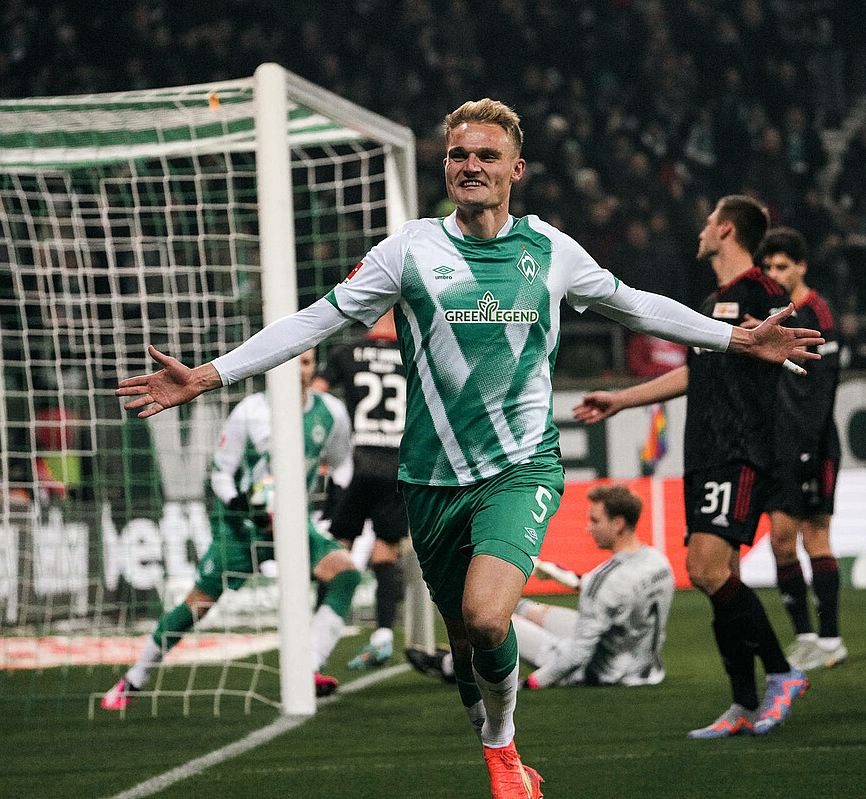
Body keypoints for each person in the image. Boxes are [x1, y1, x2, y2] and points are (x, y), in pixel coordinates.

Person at [117, 102, 821, 797]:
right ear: (445, 166)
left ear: (515, 169)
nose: (470, 165)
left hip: (519, 469)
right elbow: (317, 320)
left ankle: (503, 752)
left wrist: (736, 337)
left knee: (489, 617)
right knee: (465, 643)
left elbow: (636, 304)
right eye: (459, 154)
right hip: (428, 480)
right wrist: (211, 374)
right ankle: (493, 726)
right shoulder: (409, 250)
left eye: (486, 155)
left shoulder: (549, 250)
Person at [574, 195, 812, 739]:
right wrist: (622, 399)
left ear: (726, 230)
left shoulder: (764, 294)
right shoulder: (713, 302)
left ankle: (781, 673)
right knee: (714, 576)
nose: (701, 231)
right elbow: (696, 376)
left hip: (740, 450)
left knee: (705, 570)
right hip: (704, 451)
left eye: (708, 223)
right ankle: (744, 703)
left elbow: (775, 359)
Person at [102, 350, 359, 709]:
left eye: (306, 362)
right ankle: (134, 679)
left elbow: (343, 465)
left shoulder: (331, 413)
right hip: (241, 527)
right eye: (293, 361)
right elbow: (221, 472)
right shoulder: (250, 412)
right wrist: (241, 503)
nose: (299, 369)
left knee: (345, 574)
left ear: (313, 367)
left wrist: (332, 511)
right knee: (198, 606)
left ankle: (309, 665)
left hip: (292, 525)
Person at [410, 484, 675, 689]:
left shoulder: (603, 580)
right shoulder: (658, 562)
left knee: (490, 621)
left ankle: (448, 665)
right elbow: (619, 595)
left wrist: (536, 682)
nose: (588, 528)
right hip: (641, 661)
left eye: (595, 520)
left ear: (618, 524)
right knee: (524, 607)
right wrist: (571, 579)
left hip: (601, 669)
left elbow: (578, 653)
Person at [756, 227, 847, 671]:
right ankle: (806, 637)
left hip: (815, 444)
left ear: (801, 267)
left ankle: (831, 639)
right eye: (768, 266)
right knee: (780, 543)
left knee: (816, 537)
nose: (773, 273)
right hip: (775, 446)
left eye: (781, 266)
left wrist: (810, 447)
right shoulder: (767, 314)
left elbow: (824, 388)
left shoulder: (818, 312)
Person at [311, 309, 409, 669]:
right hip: (399, 466)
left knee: (335, 553)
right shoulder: (416, 352)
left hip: (357, 465)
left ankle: (315, 641)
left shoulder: (345, 352)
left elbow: (315, 395)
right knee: (385, 556)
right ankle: (382, 636)